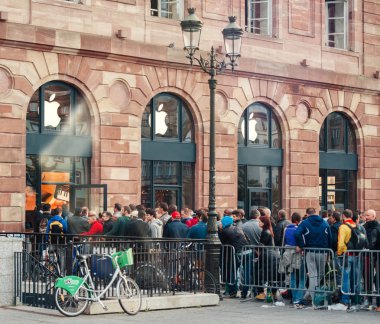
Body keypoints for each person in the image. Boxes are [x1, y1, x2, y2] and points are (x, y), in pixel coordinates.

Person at [294, 207, 332, 308]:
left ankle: (309, 297)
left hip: (310, 251)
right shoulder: (325, 223)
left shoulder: (305, 223)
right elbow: (330, 238)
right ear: (315, 213)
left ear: (307, 214)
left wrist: (302, 245)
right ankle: (311, 297)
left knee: (313, 275)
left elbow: (297, 233)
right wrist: (329, 250)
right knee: (320, 274)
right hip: (323, 251)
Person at [336, 209, 367, 310]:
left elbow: (340, 243)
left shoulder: (343, 227)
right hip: (357, 254)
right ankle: (356, 299)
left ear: (343, 216)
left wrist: (339, 253)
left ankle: (345, 300)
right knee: (356, 278)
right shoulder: (358, 226)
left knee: (346, 278)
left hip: (347, 255)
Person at [219, 215, 250, 298]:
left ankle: (233, 291)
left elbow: (221, 242)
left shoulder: (225, 231)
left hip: (235, 253)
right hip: (247, 251)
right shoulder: (238, 228)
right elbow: (247, 239)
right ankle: (244, 292)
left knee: (232, 272)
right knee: (246, 273)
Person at [282, 212, 305, 306]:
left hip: (287, 254)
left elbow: (284, 241)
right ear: (298, 221)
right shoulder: (298, 229)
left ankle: (293, 296)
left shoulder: (286, 229)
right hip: (297, 254)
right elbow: (302, 241)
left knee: (292, 276)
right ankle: (298, 297)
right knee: (301, 277)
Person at [363, 209, 380, 312]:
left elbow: (372, 243)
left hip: (374, 255)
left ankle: (377, 304)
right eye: (365, 215)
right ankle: (369, 300)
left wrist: (368, 249)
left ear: (374, 216)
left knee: (376, 279)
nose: (366, 217)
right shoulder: (365, 226)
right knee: (368, 277)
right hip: (370, 256)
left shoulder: (376, 228)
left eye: (368, 215)